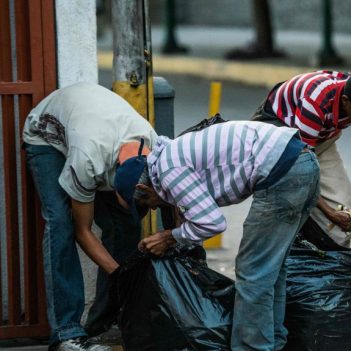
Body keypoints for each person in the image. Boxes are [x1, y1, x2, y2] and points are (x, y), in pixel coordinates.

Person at [113, 121, 320, 351]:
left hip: (284, 171)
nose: (152, 209)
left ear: (143, 189)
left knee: (253, 271)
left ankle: (252, 348)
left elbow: (211, 223)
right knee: (272, 269)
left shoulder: (168, 171)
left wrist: (170, 237)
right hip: (304, 162)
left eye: (146, 204)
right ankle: (274, 342)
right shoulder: (168, 157)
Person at [22, 82, 158, 351]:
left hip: (94, 128)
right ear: (113, 185)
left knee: (126, 224)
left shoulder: (152, 146)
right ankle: (66, 332)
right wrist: (120, 274)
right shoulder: (87, 160)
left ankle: (105, 320)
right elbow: (82, 231)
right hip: (46, 137)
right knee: (60, 223)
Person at [252, 69, 351, 249]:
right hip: (279, 137)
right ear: (346, 101)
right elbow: (300, 167)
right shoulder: (316, 100)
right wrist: (330, 213)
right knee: (286, 211)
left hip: (317, 141)